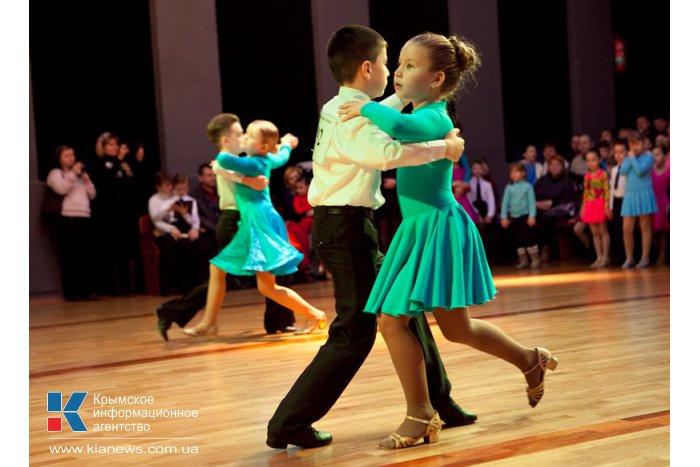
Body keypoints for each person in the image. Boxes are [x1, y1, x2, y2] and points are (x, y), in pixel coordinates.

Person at [340, 32, 557, 449]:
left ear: (437, 78)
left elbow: (401, 126)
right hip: (422, 227)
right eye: (398, 64)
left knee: (391, 321)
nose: (399, 72)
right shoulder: (426, 112)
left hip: (436, 228)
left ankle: (420, 414)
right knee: (458, 328)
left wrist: (364, 106)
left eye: (410, 65)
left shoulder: (436, 117)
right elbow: (397, 123)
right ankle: (531, 360)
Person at [266, 25, 472, 451]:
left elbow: (389, 110)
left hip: (345, 224)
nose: (393, 72)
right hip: (344, 229)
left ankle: (439, 402)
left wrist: (403, 111)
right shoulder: (356, 118)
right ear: (367, 68)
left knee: (405, 307)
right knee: (355, 332)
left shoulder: (340, 106)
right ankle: (289, 422)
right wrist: (444, 148)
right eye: (387, 63)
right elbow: (385, 153)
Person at [183, 120, 327, 337]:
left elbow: (222, 159)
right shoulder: (264, 158)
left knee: (267, 287)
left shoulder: (254, 164)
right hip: (255, 220)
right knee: (219, 269)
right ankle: (209, 323)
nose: (244, 139)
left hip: (259, 222)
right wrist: (286, 144)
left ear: (261, 147)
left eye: (248, 136)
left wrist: (221, 160)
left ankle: (317, 315)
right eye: (243, 135)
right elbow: (282, 157)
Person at [154, 113, 276, 341]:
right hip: (234, 220)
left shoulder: (235, 158)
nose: (244, 137)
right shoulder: (225, 160)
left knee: (232, 275)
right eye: (240, 134)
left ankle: (183, 315)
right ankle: (175, 312)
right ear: (226, 139)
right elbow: (247, 178)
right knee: (254, 271)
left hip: (242, 219)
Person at [46, 145, 98, 301]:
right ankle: (72, 292)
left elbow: (92, 195)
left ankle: (87, 291)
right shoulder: (56, 173)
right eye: (66, 156)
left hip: (85, 216)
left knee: (86, 256)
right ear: (59, 159)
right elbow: (60, 189)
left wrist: (87, 182)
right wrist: (72, 174)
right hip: (68, 217)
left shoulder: (81, 175)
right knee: (71, 256)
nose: (70, 158)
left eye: (72, 155)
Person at [620, 131, 657, 268]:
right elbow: (622, 171)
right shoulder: (629, 157)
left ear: (643, 143)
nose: (634, 146)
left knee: (645, 227)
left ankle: (645, 257)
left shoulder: (649, 157)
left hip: (644, 193)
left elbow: (640, 171)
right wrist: (630, 158)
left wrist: (632, 159)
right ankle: (629, 258)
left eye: (637, 143)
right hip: (630, 195)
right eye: (631, 144)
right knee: (626, 228)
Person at [533, 155, 577, 262]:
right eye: (551, 165)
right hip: (541, 207)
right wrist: (536, 203)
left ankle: (546, 249)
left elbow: (569, 198)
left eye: (557, 165)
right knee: (526, 217)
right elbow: (532, 194)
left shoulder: (567, 181)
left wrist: (552, 203)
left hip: (562, 208)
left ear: (563, 167)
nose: (554, 167)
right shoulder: (542, 180)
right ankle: (530, 251)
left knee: (546, 218)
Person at [501, 162, 539, 268]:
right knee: (519, 239)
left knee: (528, 237)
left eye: (516, 172)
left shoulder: (528, 187)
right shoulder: (509, 187)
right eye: (511, 172)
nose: (514, 175)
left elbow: (532, 202)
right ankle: (523, 260)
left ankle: (534, 259)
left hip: (525, 216)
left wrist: (532, 216)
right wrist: (504, 217)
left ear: (523, 173)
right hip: (514, 216)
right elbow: (505, 203)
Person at [580, 150, 611, 268]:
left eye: (593, 160)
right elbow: (586, 193)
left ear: (599, 160)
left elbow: (607, 190)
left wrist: (607, 206)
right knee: (594, 232)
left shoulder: (603, 174)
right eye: (588, 161)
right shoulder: (587, 176)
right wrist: (583, 208)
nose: (591, 163)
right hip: (590, 205)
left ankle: (605, 256)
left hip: (600, 204)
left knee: (603, 230)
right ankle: (599, 256)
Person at [608, 141, 628, 265]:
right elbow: (612, 188)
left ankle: (629, 255)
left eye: (621, 152)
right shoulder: (614, 169)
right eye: (616, 152)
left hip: (626, 199)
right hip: (616, 201)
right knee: (617, 230)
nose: (618, 155)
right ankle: (620, 255)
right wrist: (610, 206)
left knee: (626, 229)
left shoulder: (628, 167)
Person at [651, 145, 669, 265]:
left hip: (664, 202)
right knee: (652, 229)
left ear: (665, 156)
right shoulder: (650, 172)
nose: (655, 158)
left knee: (662, 229)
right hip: (652, 202)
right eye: (653, 155)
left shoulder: (670, 171)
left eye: (658, 155)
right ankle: (658, 252)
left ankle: (663, 254)